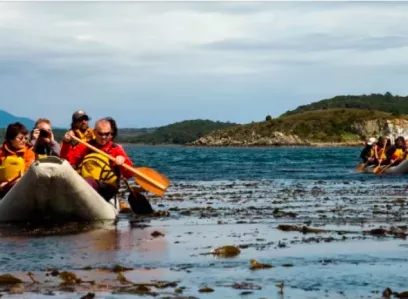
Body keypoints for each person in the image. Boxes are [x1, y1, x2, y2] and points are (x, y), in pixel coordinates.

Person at [65, 118, 134, 201]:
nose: (103, 137)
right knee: (84, 182)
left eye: (107, 134)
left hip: (107, 187)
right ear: (94, 132)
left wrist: (123, 161)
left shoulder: (116, 149)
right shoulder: (85, 146)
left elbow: (129, 174)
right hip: (86, 183)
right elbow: (68, 160)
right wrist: (66, 143)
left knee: (88, 183)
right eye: (100, 134)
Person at [0, 122, 35, 198]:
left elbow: (27, 172)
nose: (24, 141)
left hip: (21, 191)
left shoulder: (29, 153)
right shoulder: (1, 153)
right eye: (20, 138)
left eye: (25, 138)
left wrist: (9, 183)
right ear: (11, 139)